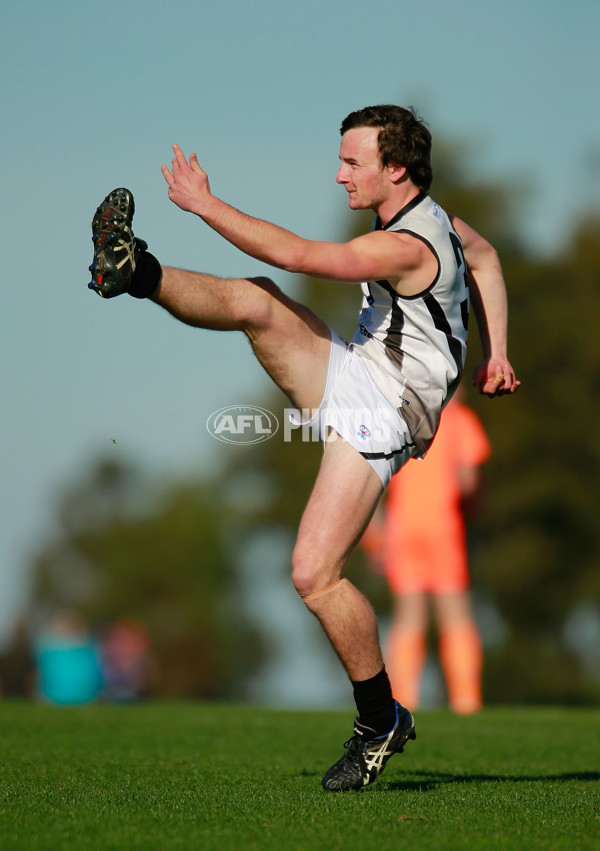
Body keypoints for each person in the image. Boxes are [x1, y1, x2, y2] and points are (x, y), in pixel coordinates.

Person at [87, 105, 519, 791]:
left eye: (354, 162)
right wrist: (497, 351)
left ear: (396, 170)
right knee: (259, 303)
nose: (339, 173)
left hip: (386, 411)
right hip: (360, 372)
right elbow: (489, 257)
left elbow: (299, 255)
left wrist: (205, 204)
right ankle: (132, 270)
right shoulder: (434, 220)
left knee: (313, 573)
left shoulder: (406, 245)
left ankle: (380, 722)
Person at [362, 389, 491, 714]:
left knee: (408, 617)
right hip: (443, 526)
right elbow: (468, 482)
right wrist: (472, 515)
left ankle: (404, 699)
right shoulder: (459, 419)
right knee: (455, 614)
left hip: (402, 528)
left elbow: (374, 483)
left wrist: (376, 537)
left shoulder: (401, 421)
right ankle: (465, 700)